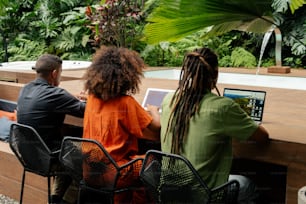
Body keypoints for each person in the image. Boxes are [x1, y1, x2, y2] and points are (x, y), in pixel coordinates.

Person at [160, 47, 269, 203]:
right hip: (205, 195)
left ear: (186, 73)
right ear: (215, 75)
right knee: (247, 185)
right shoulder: (223, 107)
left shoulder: (170, 99)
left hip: (171, 192)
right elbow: (262, 137)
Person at [82, 46, 160, 203]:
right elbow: (156, 128)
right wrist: (153, 110)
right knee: (151, 162)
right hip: (115, 172)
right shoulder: (126, 102)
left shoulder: (91, 98)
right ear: (128, 76)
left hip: (90, 170)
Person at [17, 54, 86, 204]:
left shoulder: (26, 89)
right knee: (87, 154)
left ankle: (56, 199)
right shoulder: (55, 94)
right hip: (48, 157)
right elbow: (86, 111)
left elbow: (51, 99)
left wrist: (71, 96)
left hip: (28, 156)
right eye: (60, 73)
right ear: (54, 73)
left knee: (68, 150)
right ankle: (66, 201)